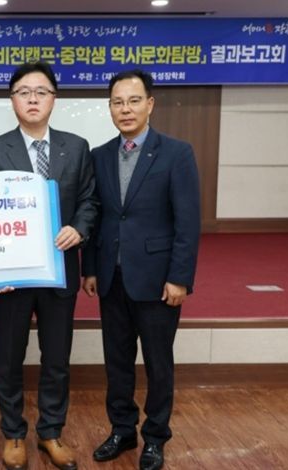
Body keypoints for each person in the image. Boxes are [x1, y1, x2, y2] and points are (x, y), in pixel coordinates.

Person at [0, 61, 98, 470]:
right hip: (12, 276)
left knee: (56, 358)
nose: (33, 99)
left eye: (41, 92)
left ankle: (50, 432)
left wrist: (79, 228)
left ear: (54, 99)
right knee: (8, 357)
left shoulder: (76, 147)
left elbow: (89, 200)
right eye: (24, 92)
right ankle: (13, 432)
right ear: (12, 100)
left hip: (59, 270)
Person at [81, 69, 200, 470]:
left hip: (157, 279)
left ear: (150, 104)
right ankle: (122, 429)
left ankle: (155, 436)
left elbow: (187, 222)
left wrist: (180, 277)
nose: (125, 109)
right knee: (116, 360)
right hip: (111, 278)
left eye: (133, 101)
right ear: (109, 107)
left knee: (157, 362)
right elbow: (96, 216)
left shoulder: (176, 153)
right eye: (117, 102)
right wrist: (90, 268)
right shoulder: (99, 155)